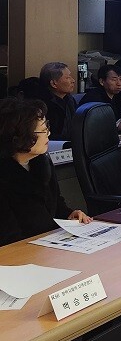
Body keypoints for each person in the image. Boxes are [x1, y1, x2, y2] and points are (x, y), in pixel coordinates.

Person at [0, 98, 91, 247]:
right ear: (20, 136)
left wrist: (70, 215)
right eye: (42, 130)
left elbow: (56, 205)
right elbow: (8, 237)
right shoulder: (5, 177)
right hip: (22, 252)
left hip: (49, 245)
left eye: (46, 126)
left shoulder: (42, 162)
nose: (49, 133)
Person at [79, 64, 121, 132]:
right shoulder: (93, 99)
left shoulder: (119, 96)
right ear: (102, 81)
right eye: (114, 80)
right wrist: (117, 127)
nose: (119, 84)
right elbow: (93, 127)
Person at [38, 62, 77, 141]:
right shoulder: (43, 105)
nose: (73, 80)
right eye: (67, 78)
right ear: (53, 83)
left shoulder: (69, 99)